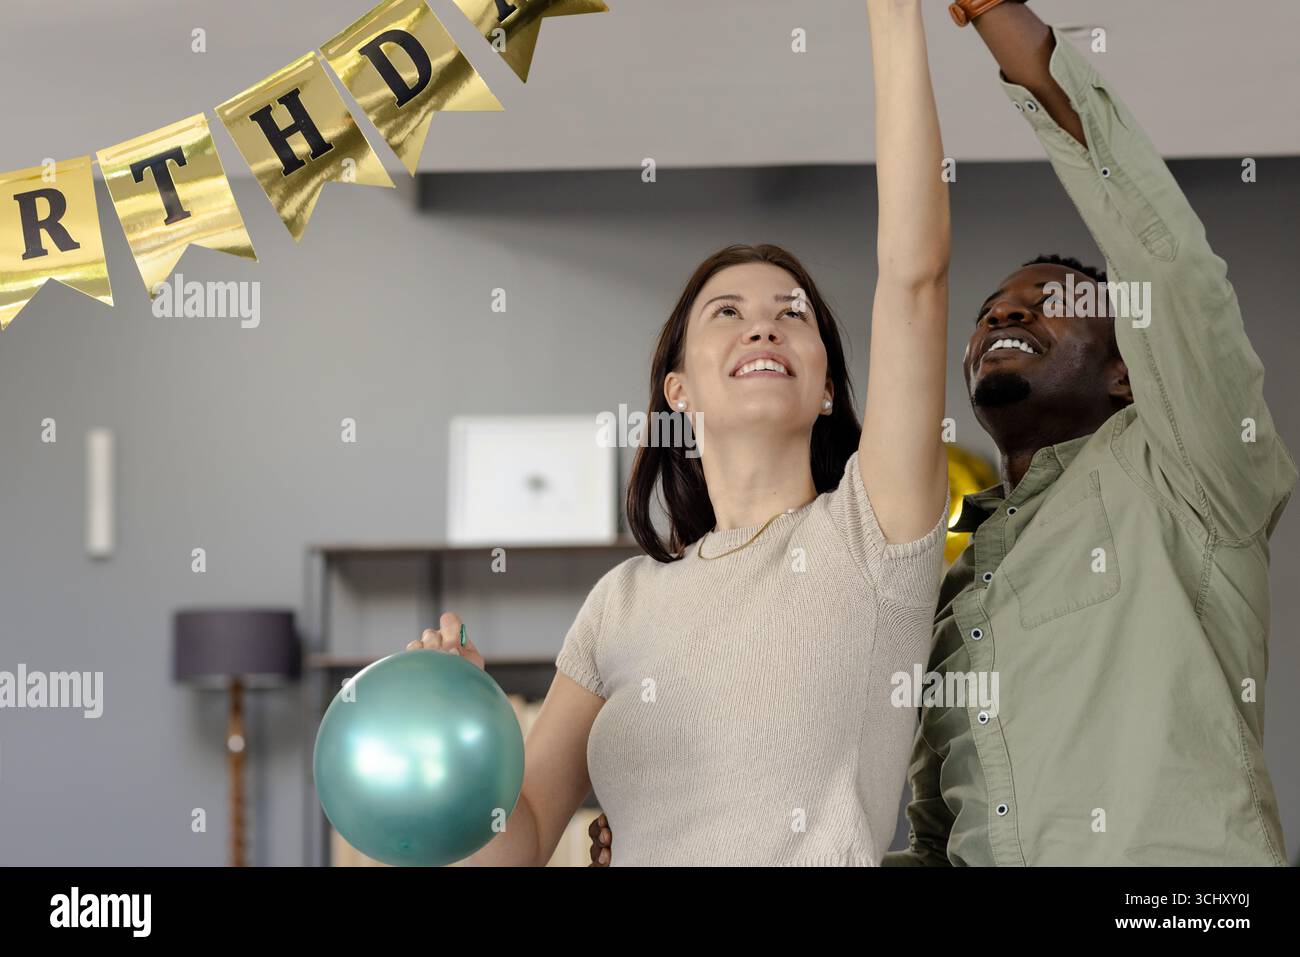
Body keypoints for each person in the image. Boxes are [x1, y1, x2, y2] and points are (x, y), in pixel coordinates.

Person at [590, 0, 1297, 866]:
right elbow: (935, 843)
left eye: (1053, 301)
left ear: (1128, 367)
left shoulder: (1190, 471)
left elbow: (1170, 263)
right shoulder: (953, 589)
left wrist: (994, 13)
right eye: (992, 308)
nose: (1006, 311)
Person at [407, 0, 952, 865]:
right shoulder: (620, 603)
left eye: (793, 313)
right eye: (726, 312)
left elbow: (915, 279)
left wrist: (891, 13)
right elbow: (524, 836)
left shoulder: (872, 532)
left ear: (826, 387)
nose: (763, 324)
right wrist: (462, 732)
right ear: (680, 391)